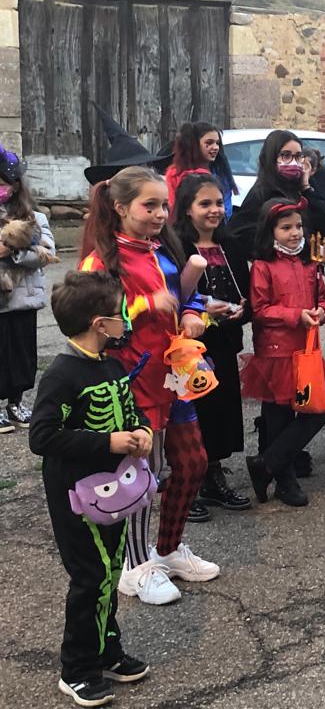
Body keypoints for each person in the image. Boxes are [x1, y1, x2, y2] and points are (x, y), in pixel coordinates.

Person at [80, 166, 219, 605]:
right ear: (120, 207)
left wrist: (195, 312)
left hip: (175, 374)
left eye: (164, 205)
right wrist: (143, 305)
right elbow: (89, 322)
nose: (161, 214)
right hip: (133, 381)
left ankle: (168, 548)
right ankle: (136, 567)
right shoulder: (100, 261)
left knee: (194, 462)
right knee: (143, 475)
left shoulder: (166, 249)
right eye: (149, 205)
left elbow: (187, 293)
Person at [30, 271, 153, 707]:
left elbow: (129, 407)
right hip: (75, 494)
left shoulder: (112, 364)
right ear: (99, 323)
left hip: (113, 494)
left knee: (110, 571)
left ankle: (106, 650)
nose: (126, 320)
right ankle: (76, 668)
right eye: (120, 313)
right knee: (92, 577)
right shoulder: (63, 375)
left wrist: (141, 429)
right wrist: (106, 442)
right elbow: (41, 437)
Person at [240, 197, 325, 507]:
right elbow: (260, 309)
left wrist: (321, 312)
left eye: (298, 226)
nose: (295, 233)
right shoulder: (263, 266)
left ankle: (266, 464)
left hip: (306, 350)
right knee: (278, 416)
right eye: (286, 228)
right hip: (276, 351)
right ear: (271, 232)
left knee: (317, 411)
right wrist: (296, 316)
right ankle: (284, 479)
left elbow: (322, 298)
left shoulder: (311, 262)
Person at [172, 173, 252, 520]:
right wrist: (203, 311)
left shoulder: (230, 245)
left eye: (219, 202)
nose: (214, 210)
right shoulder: (176, 247)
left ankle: (213, 475)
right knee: (192, 414)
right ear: (187, 209)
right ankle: (187, 483)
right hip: (189, 347)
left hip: (223, 343)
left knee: (220, 411)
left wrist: (242, 309)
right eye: (205, 204)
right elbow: (174, 297)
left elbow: (243, 288)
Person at [0, 144, 56, 434]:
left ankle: (15, 403)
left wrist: (11, 251)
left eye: (3, 182)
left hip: (22, 299)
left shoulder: (34, 218)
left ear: (16, 185)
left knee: (22, 357)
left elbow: (46, 253)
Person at [227, 130, 325, 249]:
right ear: (272, 158)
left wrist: (305, 187)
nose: (293, 162)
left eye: (298, 156)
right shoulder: (262, 193)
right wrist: (277, 246)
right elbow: (240, 233)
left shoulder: (304, 189)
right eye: (286, 155)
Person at [163, 123, 239, 216]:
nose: (215, 147)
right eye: (209, 143)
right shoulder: (176, 174)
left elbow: (227, 207)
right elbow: (173, 208)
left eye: (217, 143)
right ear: (194, 144)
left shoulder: (220, 172)